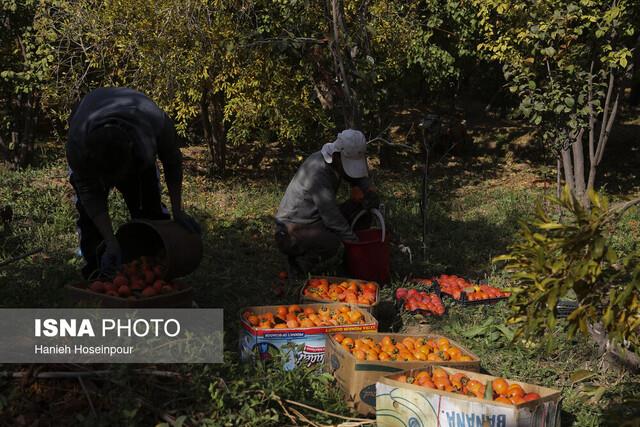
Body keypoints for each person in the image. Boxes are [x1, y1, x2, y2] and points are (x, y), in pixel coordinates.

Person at [66, 87, 200, 278]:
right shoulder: (78, 146)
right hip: (90, 132)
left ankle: (153, 267)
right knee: (90, 221)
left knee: (149, 209)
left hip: (138, 132)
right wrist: (110, 241)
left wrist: (178, 210)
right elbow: (89, 195)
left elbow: (172, 162)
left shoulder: (156, 123)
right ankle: (99, 273)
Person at [275, 129, 380, 275]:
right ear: (336, 156)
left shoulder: (336, 162)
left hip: (317, 219)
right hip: (291, 229)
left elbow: (357, 178)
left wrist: (368, 191)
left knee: (361, 211)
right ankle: (300, 265)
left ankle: (349, 260)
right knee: (331, 242)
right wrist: (356, 246)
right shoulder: (318, 172)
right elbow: (332, 218)